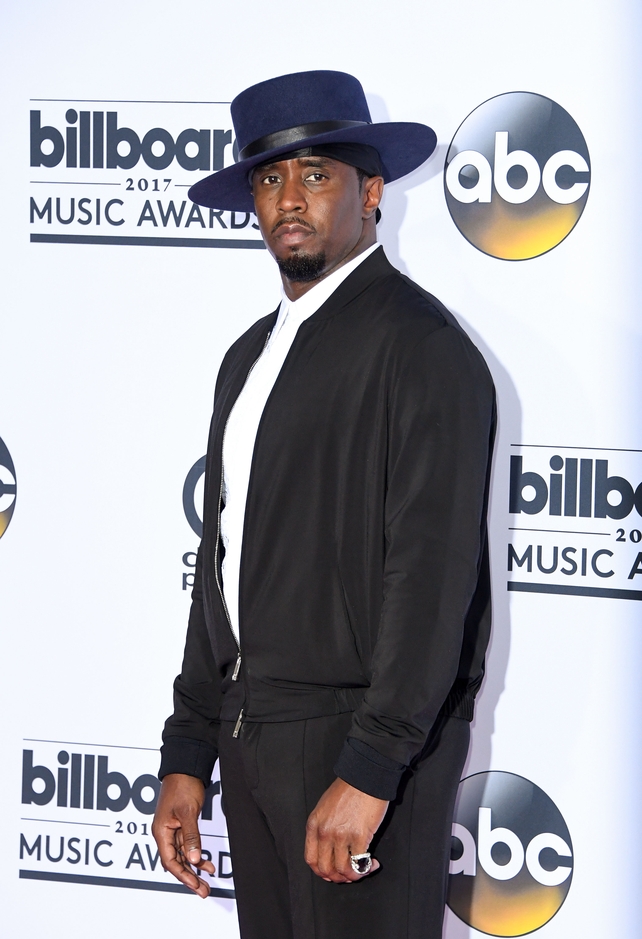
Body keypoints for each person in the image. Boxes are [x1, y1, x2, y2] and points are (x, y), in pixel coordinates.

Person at [152, 69, 496, 939]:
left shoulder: (423, 349)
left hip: (356, 753)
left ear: (372, 191)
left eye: (315, 174)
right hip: (249, 738)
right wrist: (190, 748)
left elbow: (432, 582)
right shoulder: (245, 359)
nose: (288, 199)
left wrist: (373, 765)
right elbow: (219, 566)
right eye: (269, 179)